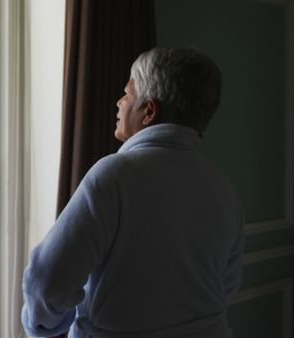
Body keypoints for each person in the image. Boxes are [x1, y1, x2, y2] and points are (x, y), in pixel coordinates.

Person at [22, 47, 244, 338]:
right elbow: (226, 285)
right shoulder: (222, 186)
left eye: (127, 93)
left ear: (149, 111)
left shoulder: (114, 175)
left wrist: (42, 324)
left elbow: (47, 281)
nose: (119, 103)